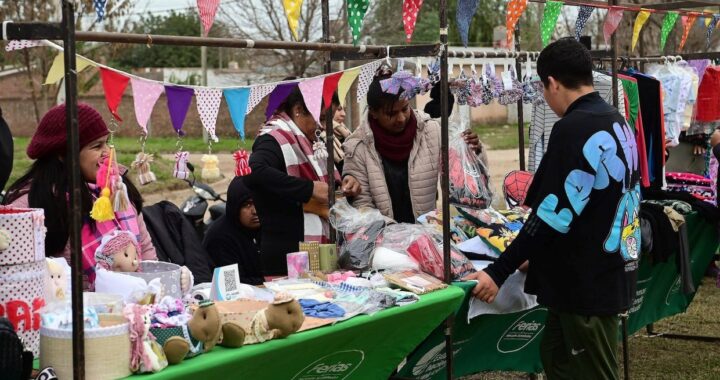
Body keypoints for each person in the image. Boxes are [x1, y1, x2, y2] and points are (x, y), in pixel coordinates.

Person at [463, 38, 640, 379]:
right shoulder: (617, 121)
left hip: (588, 286)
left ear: (553, 83)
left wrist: (498, 272)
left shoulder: (573, 128)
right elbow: (588, 206)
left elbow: (548, 215)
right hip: (605, 272)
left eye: (544, 89)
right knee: (557, 360)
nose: (546, 98)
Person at [3, 103, 158, 289]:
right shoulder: (30, 207)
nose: (107, 152)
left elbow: (146, 252)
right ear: (63, 155)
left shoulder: (118, 191)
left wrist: (154, 289)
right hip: (77, 313)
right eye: (97, 146)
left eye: (107, 142)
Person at [245, 83, 360, 276]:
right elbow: (255, 172)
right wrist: (309, 189)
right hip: (286, 254)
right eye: (321, 118)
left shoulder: (313, 140)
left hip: (320, 251)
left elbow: (330, 180)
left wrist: (347, 182)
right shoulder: (273, 139)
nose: (323, 126)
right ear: (298, 110)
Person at [342, 66, 482, 223]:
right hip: (382, 239)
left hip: (427, 235)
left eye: (405, 109)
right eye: (391, 114)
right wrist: (397, 235)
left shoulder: (431, 131)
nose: (401, 118)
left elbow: (458, 176)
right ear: (373, 112)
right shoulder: (358, 147)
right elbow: (363, 207)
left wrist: (471, 152)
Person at [203, 176, 263, 285]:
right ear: (235, 207)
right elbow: (231, 284)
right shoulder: (220, 238)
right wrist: (269, 281)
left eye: (258, 201)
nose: (255, 211)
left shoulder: (270, 227)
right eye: (247, 204)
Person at [319, 104, 351, 171]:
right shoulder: (319, 138)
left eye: (344, 110)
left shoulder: (347, 133)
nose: (343, 114)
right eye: (339, 109)